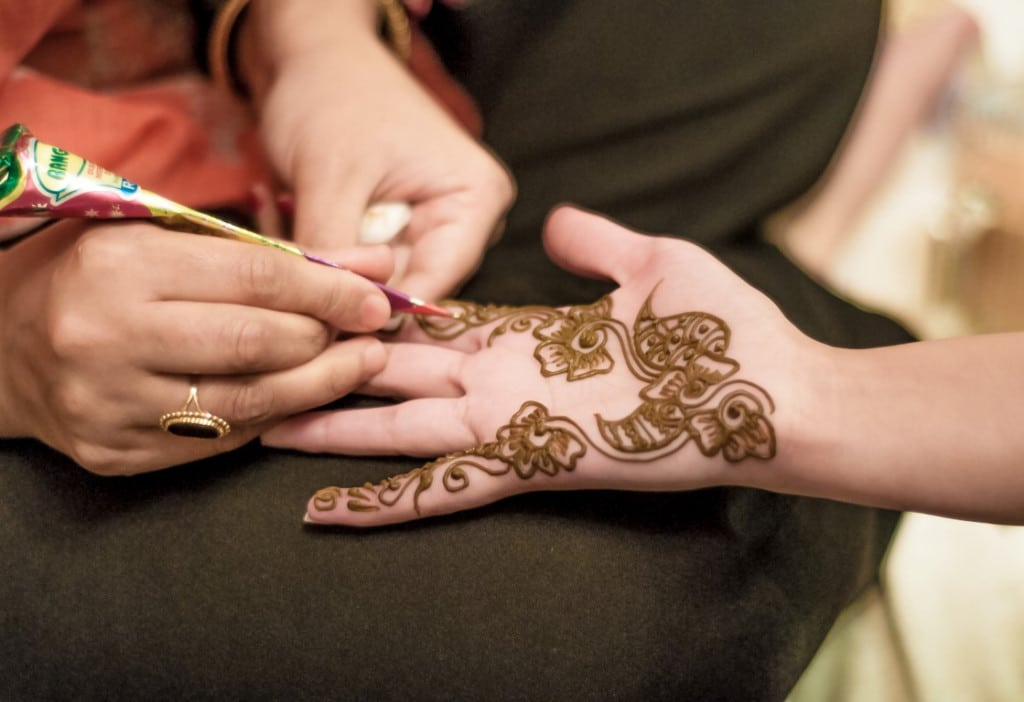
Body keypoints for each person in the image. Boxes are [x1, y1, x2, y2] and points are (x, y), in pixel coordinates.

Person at [0, 1, 945, 700]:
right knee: (582, 620)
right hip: (50, 358)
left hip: (199, 105)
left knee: (797, 22)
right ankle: (797, 278)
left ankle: (773, 290)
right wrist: (14, 352)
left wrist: (311, 40)